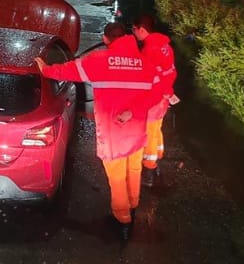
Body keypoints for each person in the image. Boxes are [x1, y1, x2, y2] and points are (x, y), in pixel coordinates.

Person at [36, 22, 159, 239]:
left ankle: (123, 220)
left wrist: (44, 69)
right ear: (128, 37)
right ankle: (133, 205)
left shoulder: (98, 61)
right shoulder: (146, 63)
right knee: (134, 171)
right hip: (137, 132)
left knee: (117, 178)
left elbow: (66, 71)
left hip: (114, 136)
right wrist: (133, 111)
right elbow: (158, 92)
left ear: (105, 39)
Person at [133, 13, 177, 188]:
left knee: (150, 131)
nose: (134, 32)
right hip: (165, 95)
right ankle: (158, 156)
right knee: (157, 128)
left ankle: (149, 169)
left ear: (142, 29)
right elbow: (171, 72)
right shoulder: (165, 46)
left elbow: (149, 77)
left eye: (135, 29)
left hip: (155, 97)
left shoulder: (149, 50)